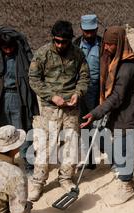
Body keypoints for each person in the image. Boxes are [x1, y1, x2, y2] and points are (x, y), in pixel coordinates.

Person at [81, 26, 134, 206]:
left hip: (128, 115)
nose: (107, 48)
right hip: (118, 113)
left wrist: (96, 113)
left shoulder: (126, 67)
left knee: (124, 149)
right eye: (105, 44)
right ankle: (124, 174)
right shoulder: (111, 60)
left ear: (119, 44)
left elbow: (117, 97)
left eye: (111, 44)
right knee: (110, 141)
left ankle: (127, 185)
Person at [28, 20, 90, 201]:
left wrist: (78, 93)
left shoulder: (78, 53)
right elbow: (33, 79)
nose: (60, 45)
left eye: (64, 41)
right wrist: (51, 96)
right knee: (46, 145)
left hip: (71, 108)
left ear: (70, 40)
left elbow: (85, 76)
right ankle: (38, 182)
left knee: (70, 144)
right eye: (57, 41)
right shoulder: (42, 54)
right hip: (50, 108)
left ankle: (65, 178)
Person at [0, 27, 39, 175]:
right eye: (4, 47)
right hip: (0, 100)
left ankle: (28, 166)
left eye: (10, 47)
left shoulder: (22, 58)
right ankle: (6, 164)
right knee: (3, 134)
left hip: (18, 98)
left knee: (23, 132)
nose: (8, 50)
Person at [74, 14, 102, 170]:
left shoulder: (103, 44)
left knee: (100, 123)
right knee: (84, 124)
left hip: (98, 89)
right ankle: (90, 159)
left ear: (97, 29)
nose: (89, 34)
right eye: (86, 32)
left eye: (92, 31)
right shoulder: (76, 45)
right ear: (81, 29)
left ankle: (106, 153)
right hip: (81, 90)